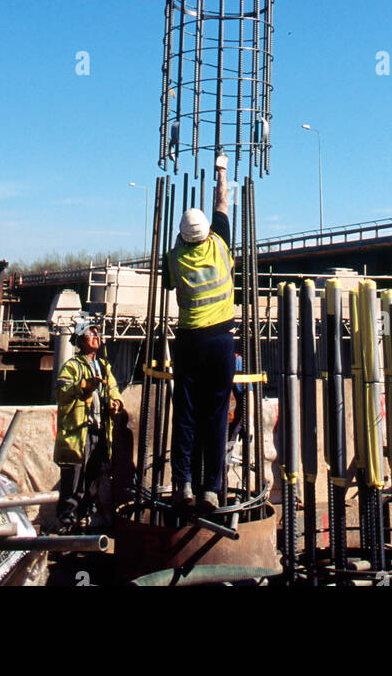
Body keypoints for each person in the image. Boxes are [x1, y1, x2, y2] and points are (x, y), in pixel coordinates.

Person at [164, 151, 235, 515]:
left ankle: (184, 484)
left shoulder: (175, 257)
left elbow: (167, 284)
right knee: (215, 413)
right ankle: (211, 488)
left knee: (186, 414)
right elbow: (222, 202)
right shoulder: (220, 245)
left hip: (189, 341)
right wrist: (221, 171)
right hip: (221, 341)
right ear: (208, 232)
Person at [53, 315, 124, 533]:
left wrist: (116, 402)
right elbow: (61, 392)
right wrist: (83, 386)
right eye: (90, 333)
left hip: (99, 432)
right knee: (73, 485)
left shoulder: (103, 366)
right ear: (80, 340)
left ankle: (84, 526)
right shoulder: (72, 366)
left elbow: (112, 388)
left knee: (92, 484)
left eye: (97, 333)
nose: (96, 336)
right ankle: (66, 529)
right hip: (78, 435)